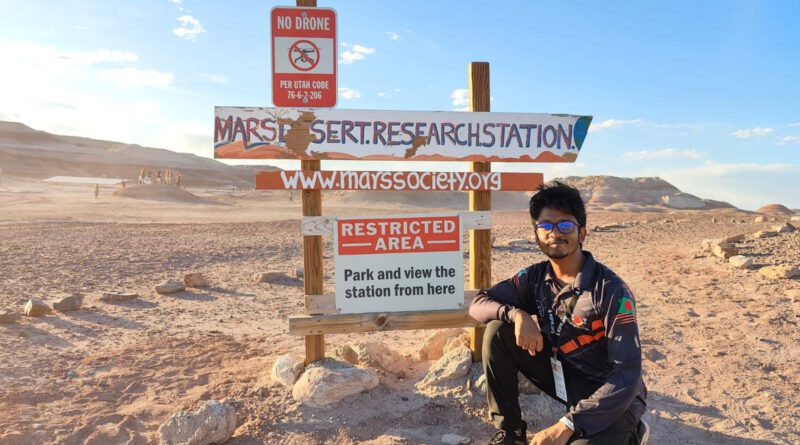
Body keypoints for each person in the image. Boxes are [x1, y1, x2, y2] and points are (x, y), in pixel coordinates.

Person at [469, 182, 648, 445]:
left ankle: (631, 432)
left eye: (565, 225)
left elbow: (627, 375)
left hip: (613, 393)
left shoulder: (611, 291)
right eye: (546, 226)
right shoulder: (534, 278)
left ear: (582, 232)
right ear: (536, 234)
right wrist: (517, 314)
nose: (555, 233)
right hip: (566, 376)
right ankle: (510, 434)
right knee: (499, 331)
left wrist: (567, 424)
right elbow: (479, 304)